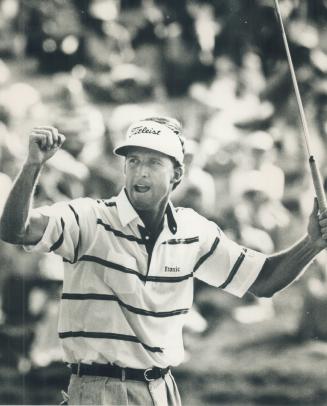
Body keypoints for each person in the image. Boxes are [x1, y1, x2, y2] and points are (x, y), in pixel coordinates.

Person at [0, 117, 327, 406]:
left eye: (154, 162)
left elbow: (263, 281)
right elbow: (17, 230)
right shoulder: (87, 217)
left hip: (162, 388)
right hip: (97, 390)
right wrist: (32, 166)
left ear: (177, 174)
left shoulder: (194, 230)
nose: (140, 172)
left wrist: (312, 243)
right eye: (133, 161)